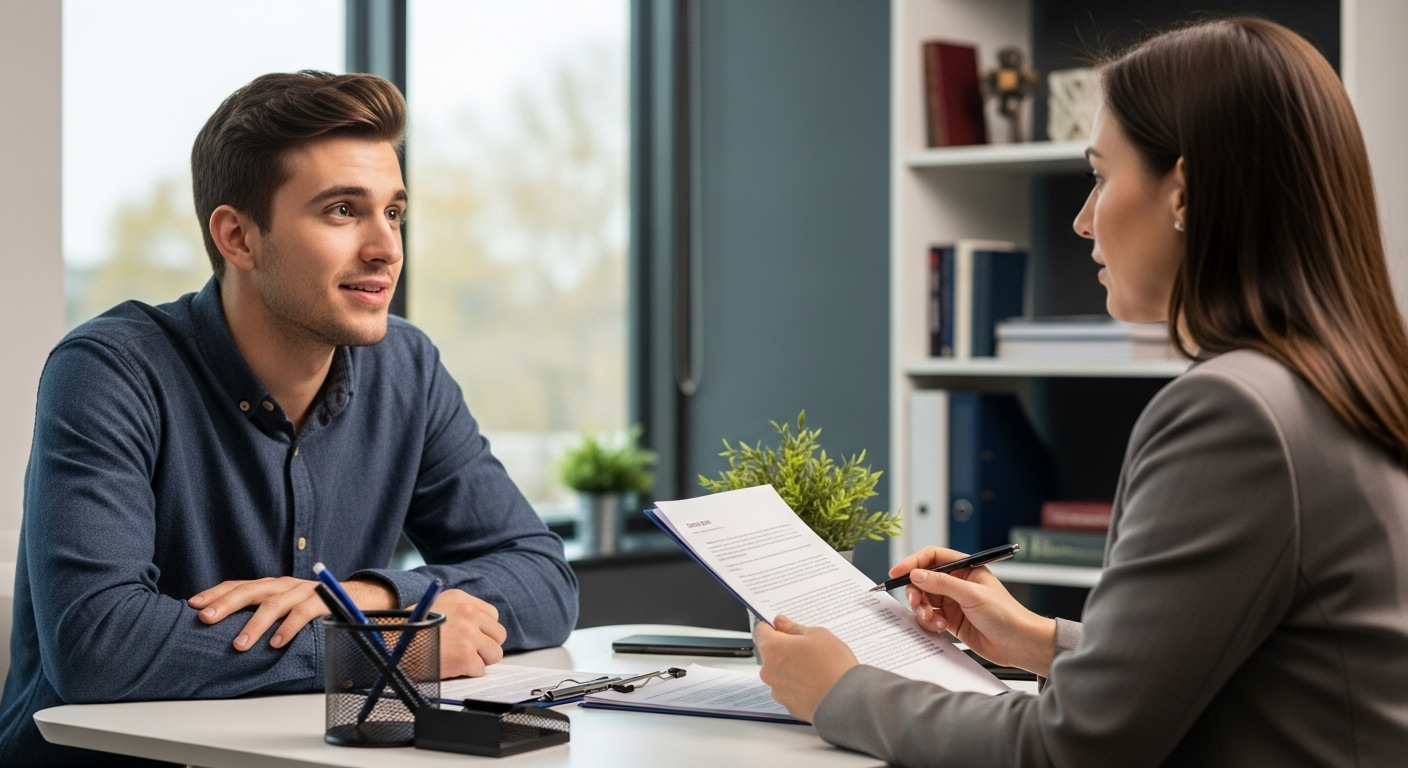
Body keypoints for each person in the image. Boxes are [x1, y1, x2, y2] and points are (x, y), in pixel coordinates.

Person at [755, 17, 1408, 766]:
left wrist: (842, 691)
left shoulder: (1235, 413)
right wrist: (1035, 639)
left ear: (1185, 193)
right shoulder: (1338, 382)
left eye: (1100, 176)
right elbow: (1265, 674)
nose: (1082, 220)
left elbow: (1075, 748)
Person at [0, 71, 578, 766]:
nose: (386, 247)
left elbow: (543, 579)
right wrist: (390, 641)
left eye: (394, 212)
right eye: (343, 211)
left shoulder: (407, 368)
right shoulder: (110, 370)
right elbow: (98, 645)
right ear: (238, 237)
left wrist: (362, 598)